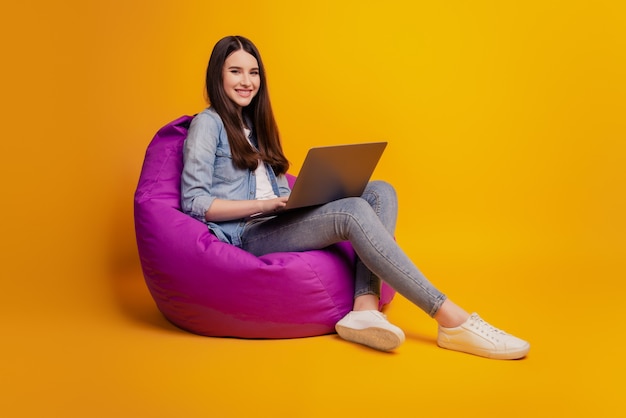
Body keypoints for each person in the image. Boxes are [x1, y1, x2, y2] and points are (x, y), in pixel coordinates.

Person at [180, 35, 530, 360]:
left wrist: (296, 198)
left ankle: (364, 308)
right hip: (248, 235)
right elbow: (194, 203)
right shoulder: (207, 125)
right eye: (236, 71)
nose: (247, 81)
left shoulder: (257, 126)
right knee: (352, 212)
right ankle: (452, 320)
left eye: (253, 72)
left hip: (277, 220)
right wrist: (264, 205)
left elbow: (277, 187)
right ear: (218, 76)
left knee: (380, 190)